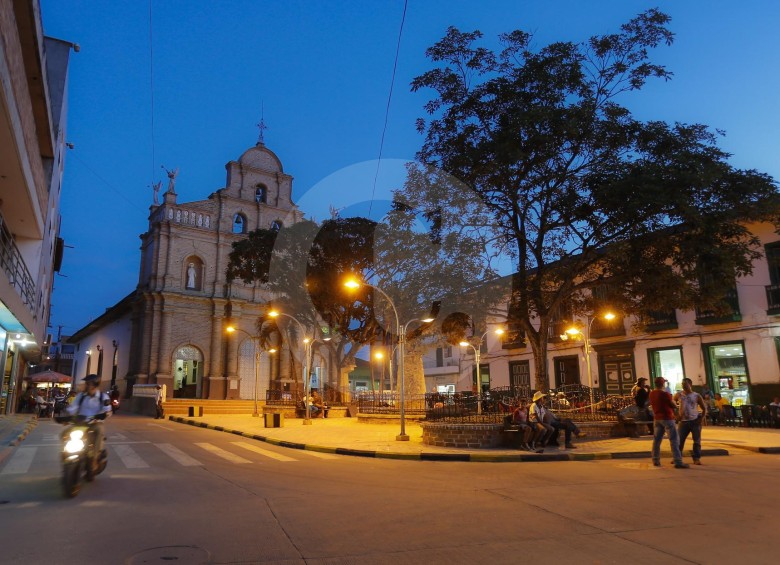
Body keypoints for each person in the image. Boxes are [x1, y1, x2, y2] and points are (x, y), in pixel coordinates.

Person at [65, 374, 111, 466]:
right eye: (86, 383)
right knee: (63, 434)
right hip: (80, 423)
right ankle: (65, 455)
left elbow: (108, 410)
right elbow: (73, 407)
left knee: (99, 431)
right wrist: (67, 415)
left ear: (95, 384)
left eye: (88, 383)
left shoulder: (103, 397)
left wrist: (105, 414)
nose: (86, 385)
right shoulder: (81, 396)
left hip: (95, 423)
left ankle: (94, 459)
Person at [649, 376, 688, 468]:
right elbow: (673, 405)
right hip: (667, 418)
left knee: (657, 440)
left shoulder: (651, 394)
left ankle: (656, 460)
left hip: (657, 418)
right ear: (662, 384)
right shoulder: (665, 394)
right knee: (674, 440)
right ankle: (678, 461)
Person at [676, 377, 707, 465]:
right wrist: (676, 414)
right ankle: (678, 457)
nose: (684, 386)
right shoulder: (679, 395)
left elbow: (704, 408)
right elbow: (672, 403)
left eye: (685, 384)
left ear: (690, 385)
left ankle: (696, 458)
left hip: (694, 421)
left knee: (696, 441)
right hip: (683, 421)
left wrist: (701, 419)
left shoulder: (696, 396)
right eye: (682, 384)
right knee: (679, 441)